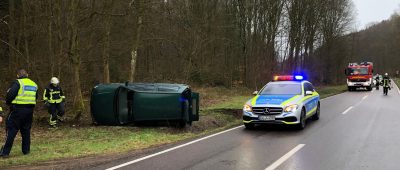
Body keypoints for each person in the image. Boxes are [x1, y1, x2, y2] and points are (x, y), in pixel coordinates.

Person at [0, 69, 38, 158]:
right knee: (26, 131)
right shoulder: (34, 84)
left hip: (17, 111)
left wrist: (9, 103)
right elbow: (36, 97)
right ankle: (26, 151)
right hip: (29, 111)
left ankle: (5, 152)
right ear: (27, 75)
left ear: (17, 75)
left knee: (11, 130)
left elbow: (10, 95)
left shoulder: (18, 82)